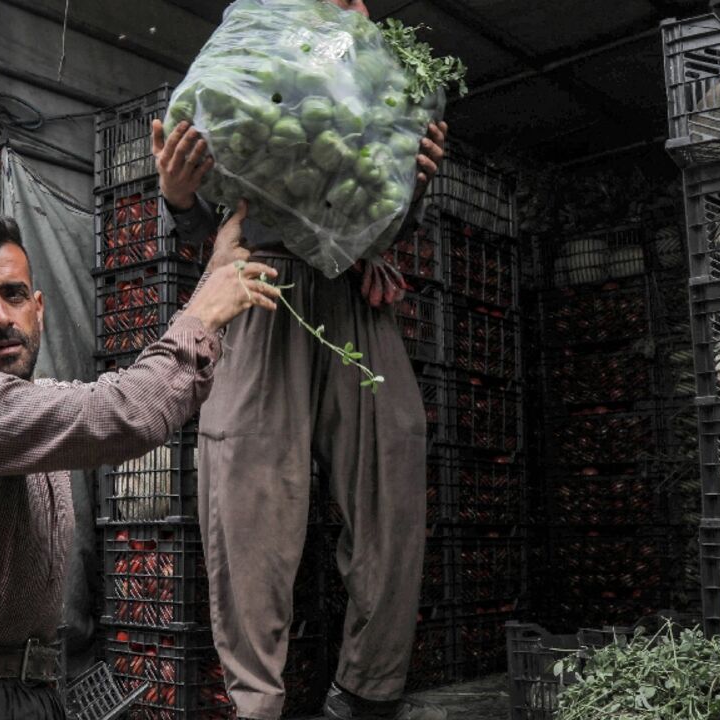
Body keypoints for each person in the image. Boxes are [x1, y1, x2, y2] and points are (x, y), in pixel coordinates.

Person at [151, 1, 450, 718]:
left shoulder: (371, 66)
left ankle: (366, 693)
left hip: (352, 290)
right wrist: (178, 194)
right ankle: (257, 704)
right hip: (259, 281)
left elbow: (380, 201)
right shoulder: (256, 43)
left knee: (395, 458)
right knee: (247, 488)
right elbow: (196, 222)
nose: (353, 5)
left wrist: (415, 181)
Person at [0, 206, 279, 720]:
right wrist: (205, 314)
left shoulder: (27, 404)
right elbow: (122, 412)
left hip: (23, 689)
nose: (0, 316)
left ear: (38, 307)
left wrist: (210, 278)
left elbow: (111, 398)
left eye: (13, 294)